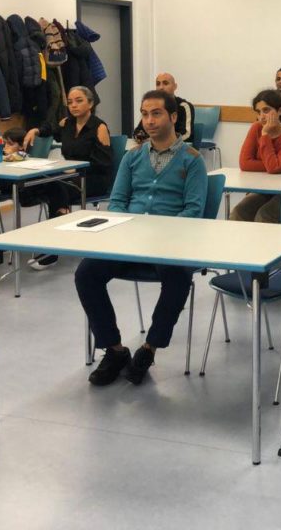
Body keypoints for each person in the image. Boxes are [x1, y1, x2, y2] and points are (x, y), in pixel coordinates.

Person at [74, 90, 208, 386]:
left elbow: (193, 211)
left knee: (179, 276)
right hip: (129, 242)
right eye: (144, 114)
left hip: (170, 244)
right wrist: (129, 230)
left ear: (173, 116)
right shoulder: (132, 157)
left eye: (156, 113)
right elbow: (117, 202)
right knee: (86, 273)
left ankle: (149, 348)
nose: (149, 120)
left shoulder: (192, 160)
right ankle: (114, 349)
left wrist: (158, 233)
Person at [22, 86, 113, 269]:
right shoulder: (67, 124)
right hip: (71, 177)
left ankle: (52, 251)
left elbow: (104, 163)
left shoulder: (99, 127)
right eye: (70, 102)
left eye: (79, 101)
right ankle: (60, 220)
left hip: (94, 178)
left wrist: (76, 169)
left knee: (57, 186)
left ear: (90, 103)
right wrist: (35, 131)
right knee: (45, 183)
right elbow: (50, 129)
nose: (73, 105)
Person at [231, 89, 281, 224]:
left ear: (280, 111)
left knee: (264, 215)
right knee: (238, 212)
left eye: (266, 110)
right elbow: (245, 163)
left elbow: (274, 168)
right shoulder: (256, 127)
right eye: (258, 112)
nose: (261, 117)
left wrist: (265, 135)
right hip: (264, 188)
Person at [131, 72, 194, 145]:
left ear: (175, 86)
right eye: (158, 84)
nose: (161, 87)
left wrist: (160, 141)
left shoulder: (183, 106)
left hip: (178, 148)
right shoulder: (151, 107)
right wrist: (140, 137)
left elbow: (187, 135)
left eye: (165, 83)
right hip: (151, 147)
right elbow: (138, 132)